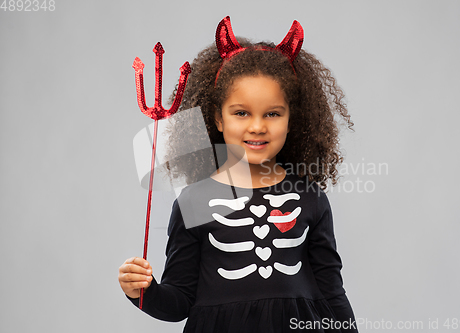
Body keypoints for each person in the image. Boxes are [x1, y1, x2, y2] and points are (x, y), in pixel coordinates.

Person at [118, 16, 358, 333]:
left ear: (292, 119)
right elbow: (179, 303)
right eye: (241, 112)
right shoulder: (195, 201)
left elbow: (332, 293)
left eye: (272, 113)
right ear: (217, 118)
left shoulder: (311, 198)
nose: (257, 126)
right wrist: (144, 292)